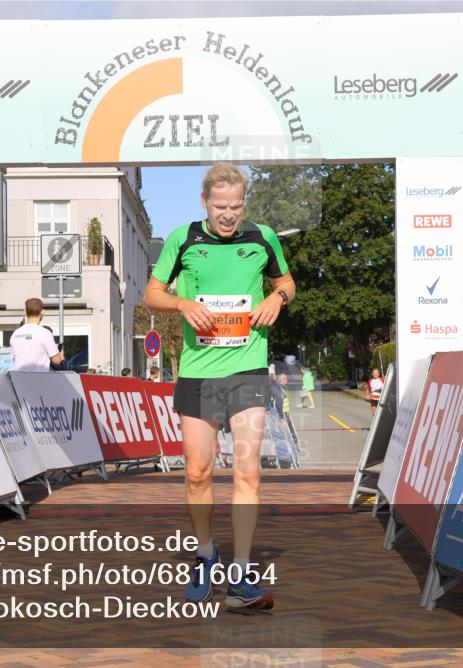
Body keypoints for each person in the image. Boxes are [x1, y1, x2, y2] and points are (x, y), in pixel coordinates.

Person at [143, 162, 295, 610]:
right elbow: (151, 294)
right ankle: (206, 554)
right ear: (205, 202)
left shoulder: (262, 237)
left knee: (247, 472)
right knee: (198, 473)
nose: (229, 215)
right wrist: (182, 303)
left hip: (247, 367)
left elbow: (286, 282)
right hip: (199, 371)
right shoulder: (183, 238)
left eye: (237, 205)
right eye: (220, 206)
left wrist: (276, 297)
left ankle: (243, 574)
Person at [10, 298, 64, 372]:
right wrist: (60, 354)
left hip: (18, 381)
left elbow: (14, 359)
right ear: (43, 312)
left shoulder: (15, 334)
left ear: (25, 311)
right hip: (39, 381)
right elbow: (57, 361)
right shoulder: (45, 333)